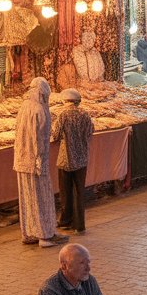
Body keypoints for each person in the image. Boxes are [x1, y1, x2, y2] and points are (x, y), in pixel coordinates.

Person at [14, 77, 66, 247]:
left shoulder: (23, 107)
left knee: (27, 198)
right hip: (36, 161)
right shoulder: (39, 110)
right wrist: (39, 160)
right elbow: (39, 138)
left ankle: (29, 233)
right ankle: (45, 235)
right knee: (41, 198)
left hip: (21, 159)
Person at [51, 88, 95, 233]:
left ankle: (65, 220)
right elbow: (90, 131)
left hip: (66, 159)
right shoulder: (85, 114)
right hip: (82, 158)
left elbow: (56, 135)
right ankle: (79, 225)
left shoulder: (63, 115)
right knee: (79, 191)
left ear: (64, 101)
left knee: (66, 192)